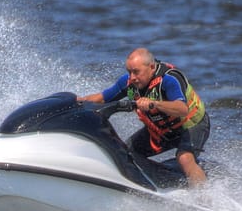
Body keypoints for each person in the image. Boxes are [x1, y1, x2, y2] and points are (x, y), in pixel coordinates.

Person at [77, 48, 210, 187]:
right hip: (162, 131)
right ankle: (153, 184)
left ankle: (203, 196)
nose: (132, 77)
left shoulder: (169, 79)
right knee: (126, 153)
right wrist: (80, 101)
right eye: (129, 72)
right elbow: (103, 98)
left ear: (151, 67)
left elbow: (182, 109)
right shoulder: (129, 83)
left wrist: (154, 104)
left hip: (191, 125)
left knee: (185, 158)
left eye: (136, 72)